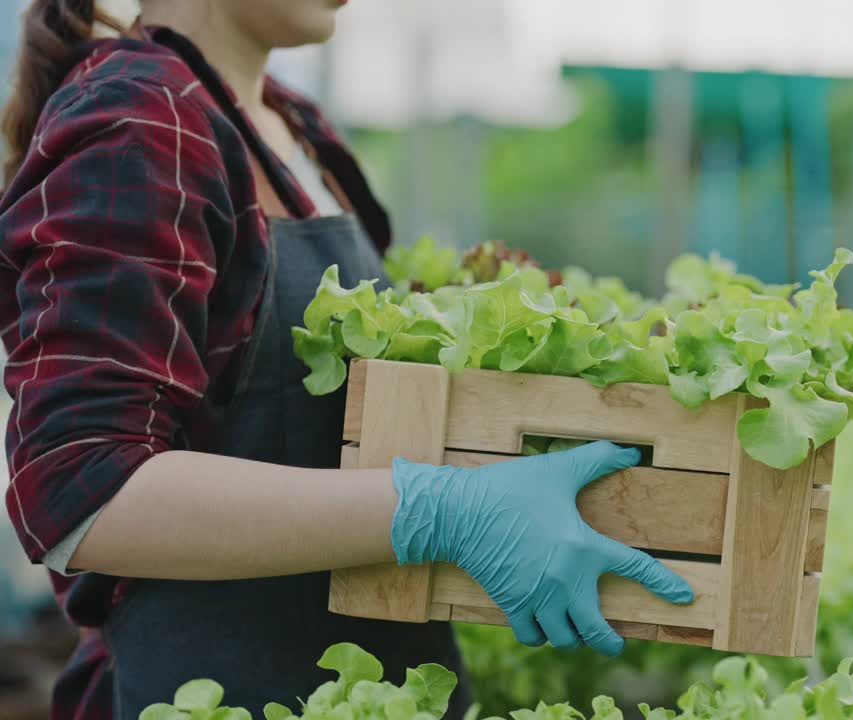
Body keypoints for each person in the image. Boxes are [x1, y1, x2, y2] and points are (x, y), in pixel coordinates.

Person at [0, 2, 695, 718]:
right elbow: (83, 487)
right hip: (213, 689)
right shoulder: (140, 120)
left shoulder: (293, 124)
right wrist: (439, 509)